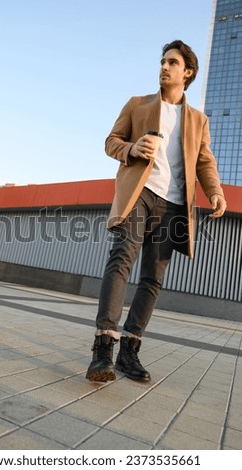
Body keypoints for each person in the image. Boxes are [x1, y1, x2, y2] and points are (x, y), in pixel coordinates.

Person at [86, 39, 227, 383]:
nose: (164, 66)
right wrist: (133, 148)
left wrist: (215, 191)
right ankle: (103, 348)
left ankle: (129, 352)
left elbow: (204, 161)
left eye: (172, 63)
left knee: (152, 278)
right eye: (163, 61)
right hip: (140, 194)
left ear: (187, 72)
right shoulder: (137, 104)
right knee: (121, 258)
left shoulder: (197, 120)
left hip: (174, 204)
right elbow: (111, 142)